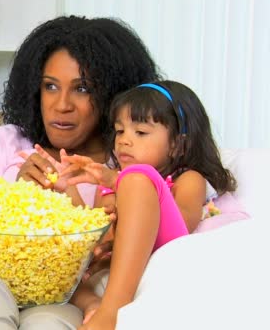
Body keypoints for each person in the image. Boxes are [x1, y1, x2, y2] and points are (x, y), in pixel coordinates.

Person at [0, 15, 161, 330]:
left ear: (111, 95)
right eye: (50, 86)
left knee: (50, 321)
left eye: (81, 89)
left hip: (60, 303)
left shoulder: (126, 168)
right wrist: (16, 197)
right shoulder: (3, 144)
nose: (61, 104)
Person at [57, 80, 237, 330]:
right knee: (69, 277)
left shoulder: (188, 179)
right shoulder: (108, 183)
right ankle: (93, 306)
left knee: (138, 179)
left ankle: (112, 311)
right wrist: (67, 187)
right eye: (120, 131)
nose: (124, 141)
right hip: (115, 266)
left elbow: (181, 225)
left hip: (163, 247)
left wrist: (120, 180)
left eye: (140, 132)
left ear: (178, 144)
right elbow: (94, 230)